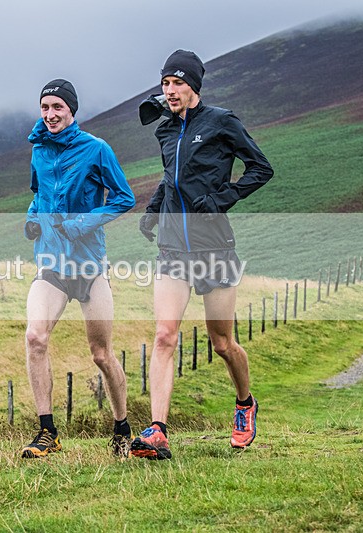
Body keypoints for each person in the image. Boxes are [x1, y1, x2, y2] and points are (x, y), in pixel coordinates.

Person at [131, 50, 274, 459]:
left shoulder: (222, 121)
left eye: (176, 82)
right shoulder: (164, 131)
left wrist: (222, 198)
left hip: (214, 247)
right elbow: (169, 177)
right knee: (164, 335)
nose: (169, 90)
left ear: (193, 85)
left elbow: (261, 168)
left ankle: (245, 405)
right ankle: (157, 431)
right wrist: (153, 210)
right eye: (164, 83)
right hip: (173, 247)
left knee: (223, 343)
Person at [21, 79, 136, 459]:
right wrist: (32, 219)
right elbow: (38, 194)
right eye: (45, 108)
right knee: (35, 338)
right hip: (50, 265)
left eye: (58, 108)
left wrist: (82, 223)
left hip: (89, 267)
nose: (51, 115)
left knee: (101, 354)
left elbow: (124, 198)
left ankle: (122, 426)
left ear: (72, 112)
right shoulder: (38, 150)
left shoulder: (96, 150)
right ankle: (47, 432)